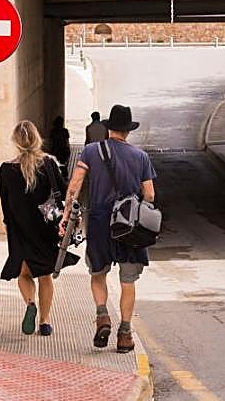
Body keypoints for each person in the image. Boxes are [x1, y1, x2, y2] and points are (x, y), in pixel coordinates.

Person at [60, 104, 155, 354]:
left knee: (98, 273)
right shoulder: (141, 157)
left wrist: (67, 212)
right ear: (128, 131)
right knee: (128, 280)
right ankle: (125, 334)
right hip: (129, 226)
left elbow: (76, 183)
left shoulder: (91, 151)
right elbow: (150, 194)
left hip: (101, 222)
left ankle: (102, 316)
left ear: (109, 128)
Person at [0, 120, 78, 337]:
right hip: (45, 227)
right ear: (38, 139)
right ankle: (44, 322)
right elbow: (65, 190)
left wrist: (8, 226)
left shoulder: (6, 170)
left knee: (24, 274)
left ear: (16, 141)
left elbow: (5, 204)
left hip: (19, 229)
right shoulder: (49, 165)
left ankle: (30, 303)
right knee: (45, 275)